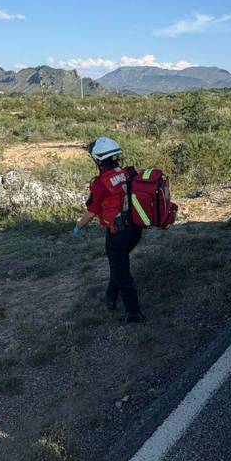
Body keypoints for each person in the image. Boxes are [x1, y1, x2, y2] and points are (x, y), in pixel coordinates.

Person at [74, 137, 144, 323]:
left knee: (121, 272)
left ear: (98, 159)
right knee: (117, 264)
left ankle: (134, 313)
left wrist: (79, 226)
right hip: (135, 230)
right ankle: (110, 298)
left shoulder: (101, 183)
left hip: (118, 233)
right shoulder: (128, 172)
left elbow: (91, 212)